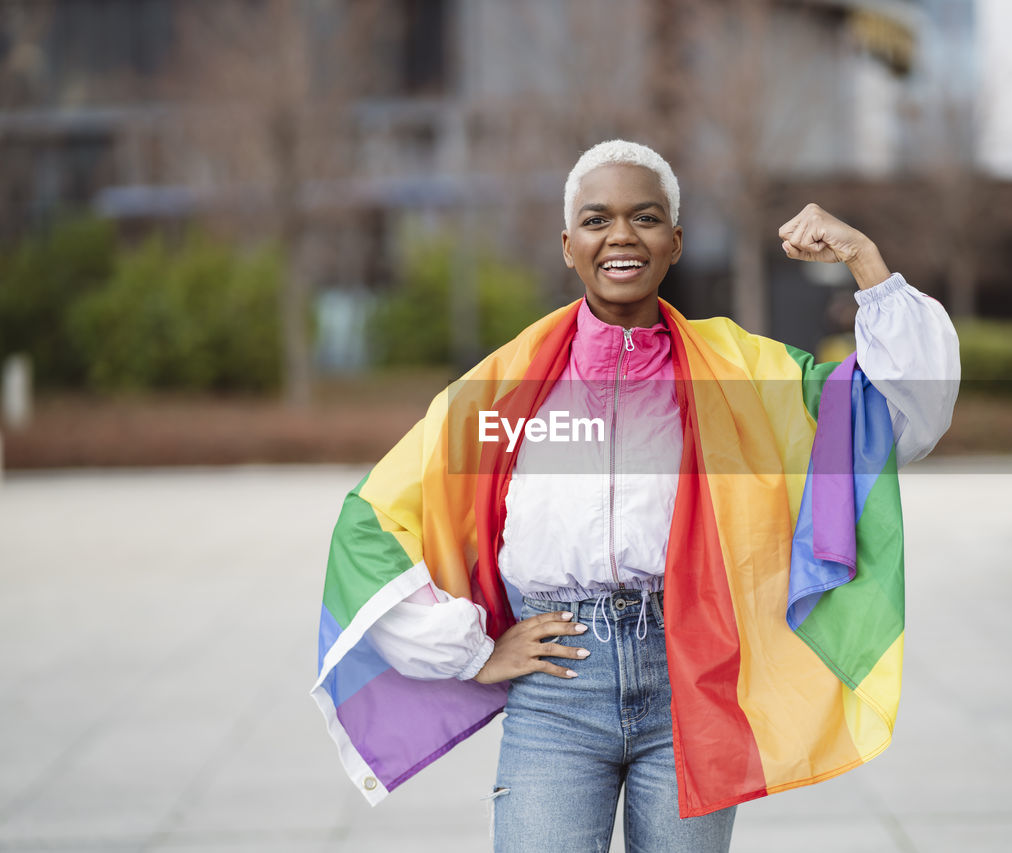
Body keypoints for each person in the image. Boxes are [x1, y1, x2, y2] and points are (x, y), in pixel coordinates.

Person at [311, 140, 960, 852]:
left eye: (645, 217)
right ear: (568, 245)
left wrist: (864, 260)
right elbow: (371, 520)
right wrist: (471, 651)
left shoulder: (741, 372)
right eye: (597, 219)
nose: (621, 235)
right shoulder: (501, 390)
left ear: (674, 241)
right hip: (558, 685)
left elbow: (891, 419)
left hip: (693, 678)